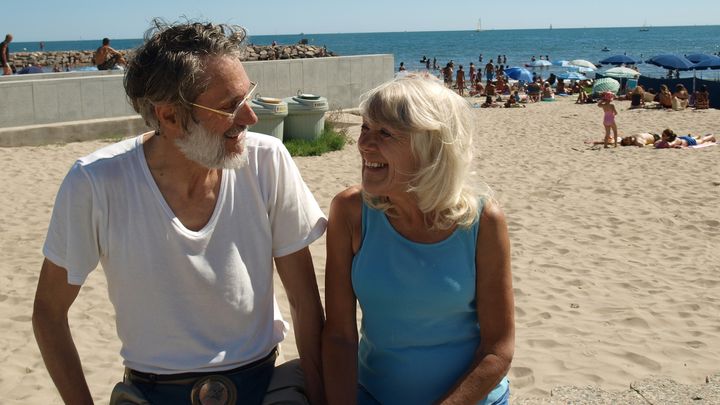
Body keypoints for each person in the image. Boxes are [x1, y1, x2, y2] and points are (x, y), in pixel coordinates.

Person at [33, 20, 327, 405]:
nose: (251, 117)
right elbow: (48, 314)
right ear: (169, 116)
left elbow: (305, 303)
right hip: (151, 394)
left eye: (247, 95)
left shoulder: (266, 161)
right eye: (229, 106)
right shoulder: (96, 182)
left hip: (265, 386)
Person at [322, 74, 514, 405]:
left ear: (431, 147)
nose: (364, 144)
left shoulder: (483, 221)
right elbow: (339, 336)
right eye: (365, 128)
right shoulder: (351, 212)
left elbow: (497, 349)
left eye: (384, 133)